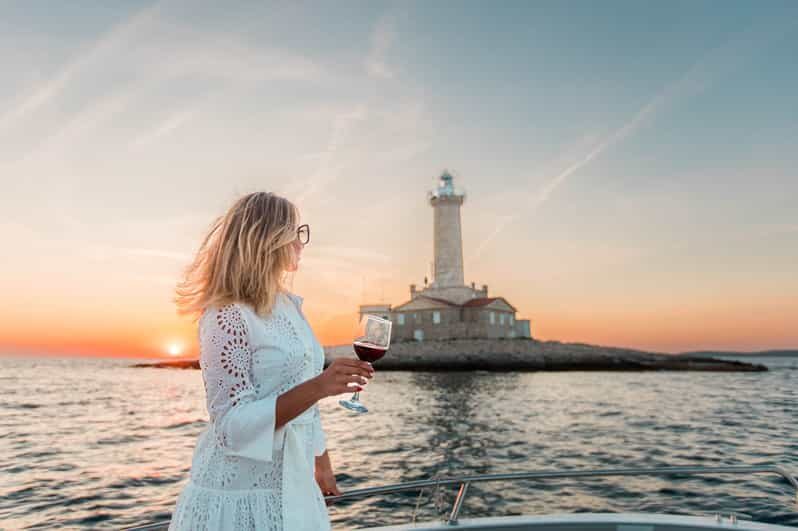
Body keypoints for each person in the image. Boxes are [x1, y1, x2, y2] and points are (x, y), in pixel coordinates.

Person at [168, 191, 374, 530]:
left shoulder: (290, 307)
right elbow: (231, 427)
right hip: (240, 495)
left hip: (295, 487)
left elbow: (305, 399)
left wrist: (322, 463)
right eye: (296, 232)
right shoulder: (226, 314)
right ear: (268, 238)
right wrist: (320, 386)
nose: (301, 242)